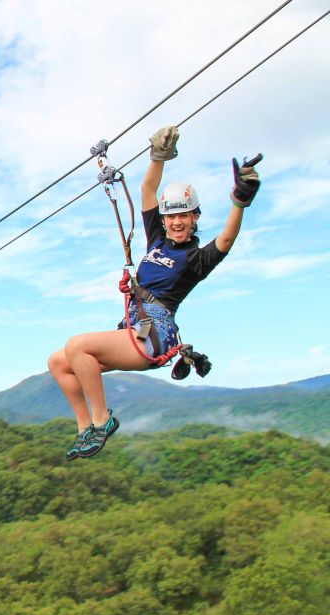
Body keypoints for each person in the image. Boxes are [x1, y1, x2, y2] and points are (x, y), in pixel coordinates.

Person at [47, 125, 262, 461]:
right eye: (171, 215)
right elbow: (148, 190)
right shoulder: (157, 240)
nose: (177, 222)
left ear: (195, 218)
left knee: (77, 345)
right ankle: (85, 427)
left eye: (184, 215)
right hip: (132, 326)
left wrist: (240, 201)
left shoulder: (195, 258)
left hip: (153, 333)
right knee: (59, 361)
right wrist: (158, 156)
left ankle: (102, 420)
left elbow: (226, 241)